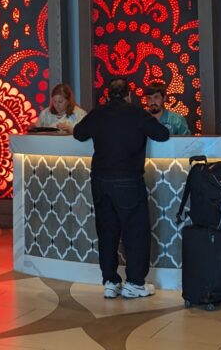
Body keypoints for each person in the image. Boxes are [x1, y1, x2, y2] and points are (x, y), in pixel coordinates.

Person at [72, 78, 169, 300]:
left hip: (100, 180)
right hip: (128, 180)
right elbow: (162, 134)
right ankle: (134, 283)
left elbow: (79, 133)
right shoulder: (136, 113)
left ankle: (110, 281)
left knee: (106, 231)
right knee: (135, 232)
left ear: (108, 95)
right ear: (128, 95)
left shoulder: (98, 113)